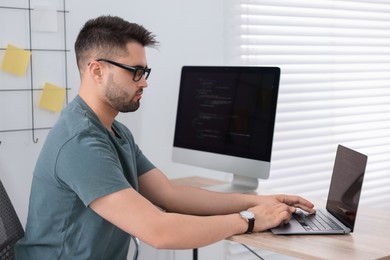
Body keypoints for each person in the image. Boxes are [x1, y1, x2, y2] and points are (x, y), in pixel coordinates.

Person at [15, 15, 315, 259]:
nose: (144, 82)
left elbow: (171, 195)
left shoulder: (114, 131)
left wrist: (259, 200)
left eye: (145, 71)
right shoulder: (79, 142)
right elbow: (159, 232)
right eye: (135, 71)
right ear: (96, 71)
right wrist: (251, 220)